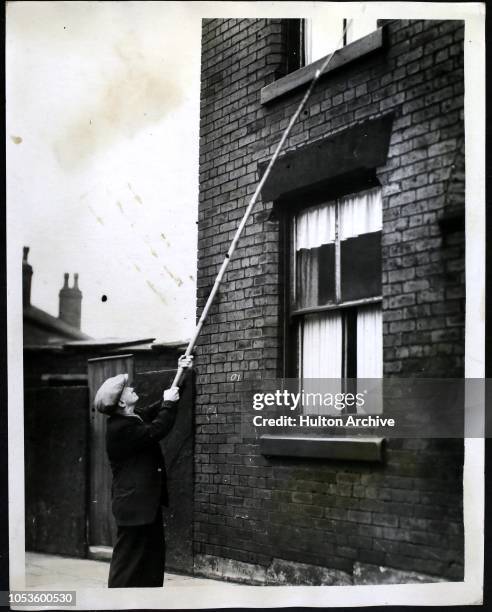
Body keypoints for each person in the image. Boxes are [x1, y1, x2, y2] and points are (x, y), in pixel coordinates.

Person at [94, 355, 193, 588]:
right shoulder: (120, 430)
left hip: (145, 504)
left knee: (151, 560)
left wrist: (181, 373)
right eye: (127, 389)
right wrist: (168, 404)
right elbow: (158, 429)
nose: (132, 389)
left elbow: (160, 406)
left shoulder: (132, 416)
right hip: (135, 506)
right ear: (120, 402)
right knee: (127, 563)